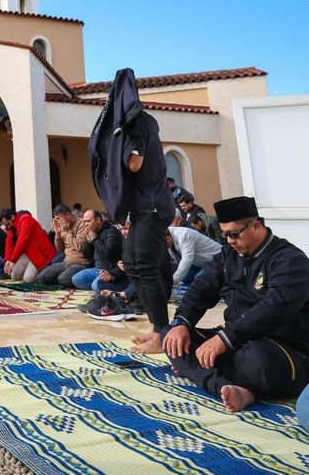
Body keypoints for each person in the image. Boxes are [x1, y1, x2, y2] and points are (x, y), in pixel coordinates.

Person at [162, 196, 309, 413]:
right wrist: (182, 321)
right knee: (172, 337)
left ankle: (202, 369)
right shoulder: (227, 256)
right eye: (225, 234)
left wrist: (226, 339)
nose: (229, 241)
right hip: (237, 341)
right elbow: (200, 289)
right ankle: (227, 387)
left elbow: (275, 307)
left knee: (254, 360)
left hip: (282, 348)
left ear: (256, 226)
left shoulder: (289, 259)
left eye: (234, 234)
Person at [89, 68, 177, 354]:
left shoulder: (137, 122)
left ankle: (163, 333)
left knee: (146, 268)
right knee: (134, 264)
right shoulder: (136, 122)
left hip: (152, 206)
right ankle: (156, 327)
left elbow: (135, 162)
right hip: (143, 209)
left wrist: (115, 159)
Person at [72, 209, 126, 292]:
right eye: (84, 222)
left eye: (88, 221)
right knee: (76, 279)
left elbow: (108, 253)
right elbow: (87, 255)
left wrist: (94, 239)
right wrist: (88, 242)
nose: (86, 224)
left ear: (98, 220)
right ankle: (102, 287)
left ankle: (104, 287)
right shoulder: (93, 232)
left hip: (110, 269)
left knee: (95, 286)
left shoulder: (111, 232)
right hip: (96, 269)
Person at [38, 205, 90, 286]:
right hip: (66, 262)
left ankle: (70, 279)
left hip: (81, 263)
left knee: (63, 279)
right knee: (42, 276)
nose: (58, 222)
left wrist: (66, 231)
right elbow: (60, 250)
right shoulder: (63, 226)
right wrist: (58, 235)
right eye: (56, 219)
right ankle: (64, 278)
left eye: (59, 218)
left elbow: (79, 246)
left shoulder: (81, 223)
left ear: (68, 215)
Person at [0, 208, 54, 283]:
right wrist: (8, 260)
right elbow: (9, 243)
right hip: (28, 253)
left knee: (28, 279)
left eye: (8, 224)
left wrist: (13, 260)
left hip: (40, 252)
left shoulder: (26, 219)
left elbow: (21, 241)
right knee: (14, 275)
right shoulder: (10, 226)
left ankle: (45, 272)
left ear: (12, 217)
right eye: (5, 225)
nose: (7, 227)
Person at [166, 224, 223, 289]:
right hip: (199, 263)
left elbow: (187, 259)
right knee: (183, 280)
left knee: (199, 280)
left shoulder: (184, 234)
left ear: (167, 238)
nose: (165, 248)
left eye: (165, 245)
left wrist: (174, 279)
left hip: (217, 260)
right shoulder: (166, 235)